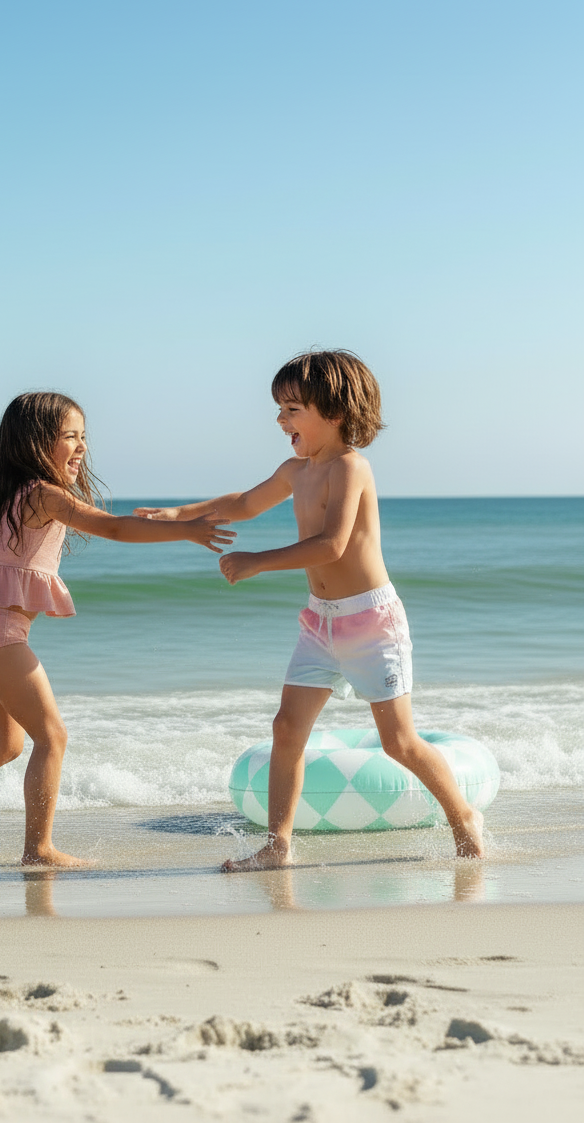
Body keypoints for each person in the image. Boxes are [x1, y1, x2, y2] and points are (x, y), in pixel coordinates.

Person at [135, 350, 484, 869]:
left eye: (293, 409)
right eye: (280, 409)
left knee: (399, 742)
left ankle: (464, 821)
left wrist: (257, 561)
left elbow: (332, 544)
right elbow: (243, 503)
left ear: (335, 413)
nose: (281, 420)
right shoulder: (295, 471)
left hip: (371, 622)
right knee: (286, 727)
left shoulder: (350, 467)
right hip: (320, 622)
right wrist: (179, 514)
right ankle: (278, 844)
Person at [0, 392, 234, 867]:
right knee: (52, 738)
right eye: (70, 437)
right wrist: (186, 528)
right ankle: (39, 849)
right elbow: (113, 528)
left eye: (83, 437)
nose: (82, 448)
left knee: (5, 744)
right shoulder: (42, 494)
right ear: (36, 442)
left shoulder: (13, 494)